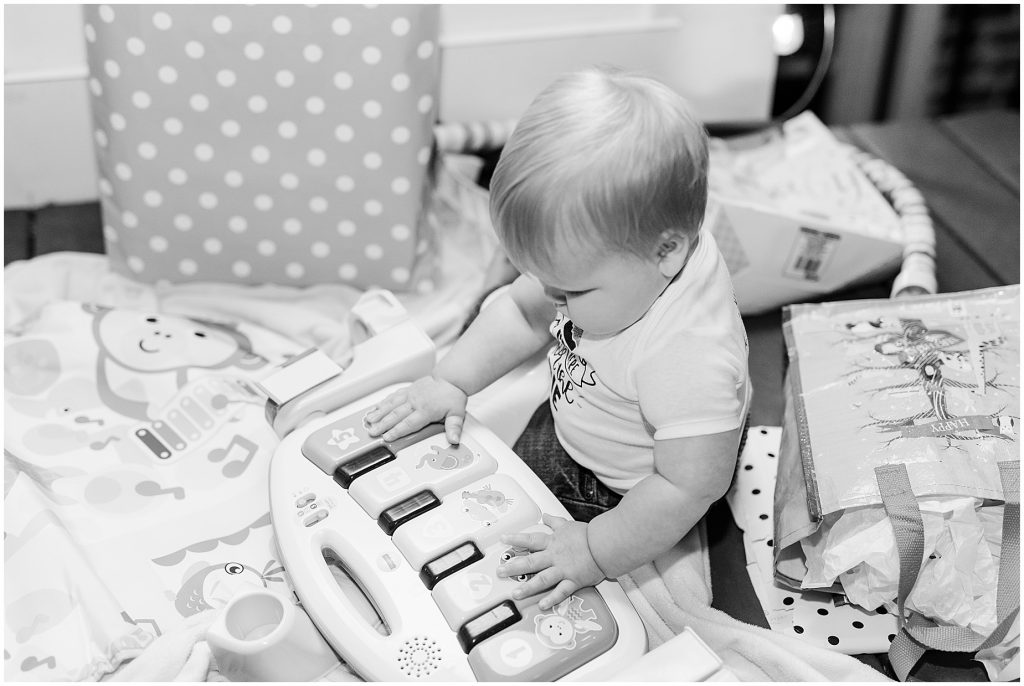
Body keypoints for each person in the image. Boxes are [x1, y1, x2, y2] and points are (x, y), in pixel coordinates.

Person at [365, 66, 750, 612]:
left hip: (631, 486)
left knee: (498, 543)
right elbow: (523, 312)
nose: (551, 299)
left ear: (667, 251)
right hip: (592, 403)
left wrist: (593, 551)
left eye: (569, 290)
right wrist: (449, 381)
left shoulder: (688, 355)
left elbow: (688, 487)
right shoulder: (636, 253)